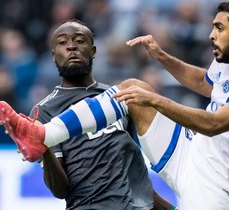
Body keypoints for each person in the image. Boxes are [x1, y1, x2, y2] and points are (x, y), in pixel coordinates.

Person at [0, 0, 229, 210]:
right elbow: (204, 83)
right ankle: (41, 134)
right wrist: (161, 56)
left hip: (218, 187)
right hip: (189, 151)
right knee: (133, 89)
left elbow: (213, 124)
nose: (211, 34)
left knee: (142, 95)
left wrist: (157, 100)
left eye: (219, 28)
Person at [1, 20, 174, 210]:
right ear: (53, 56)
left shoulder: (117, 98)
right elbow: (60, 190)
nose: (72, 46)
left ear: (93, 51)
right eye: (62, 42)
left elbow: (136, 175)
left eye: (79, 41)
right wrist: (44, 147)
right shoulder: (44, 110)